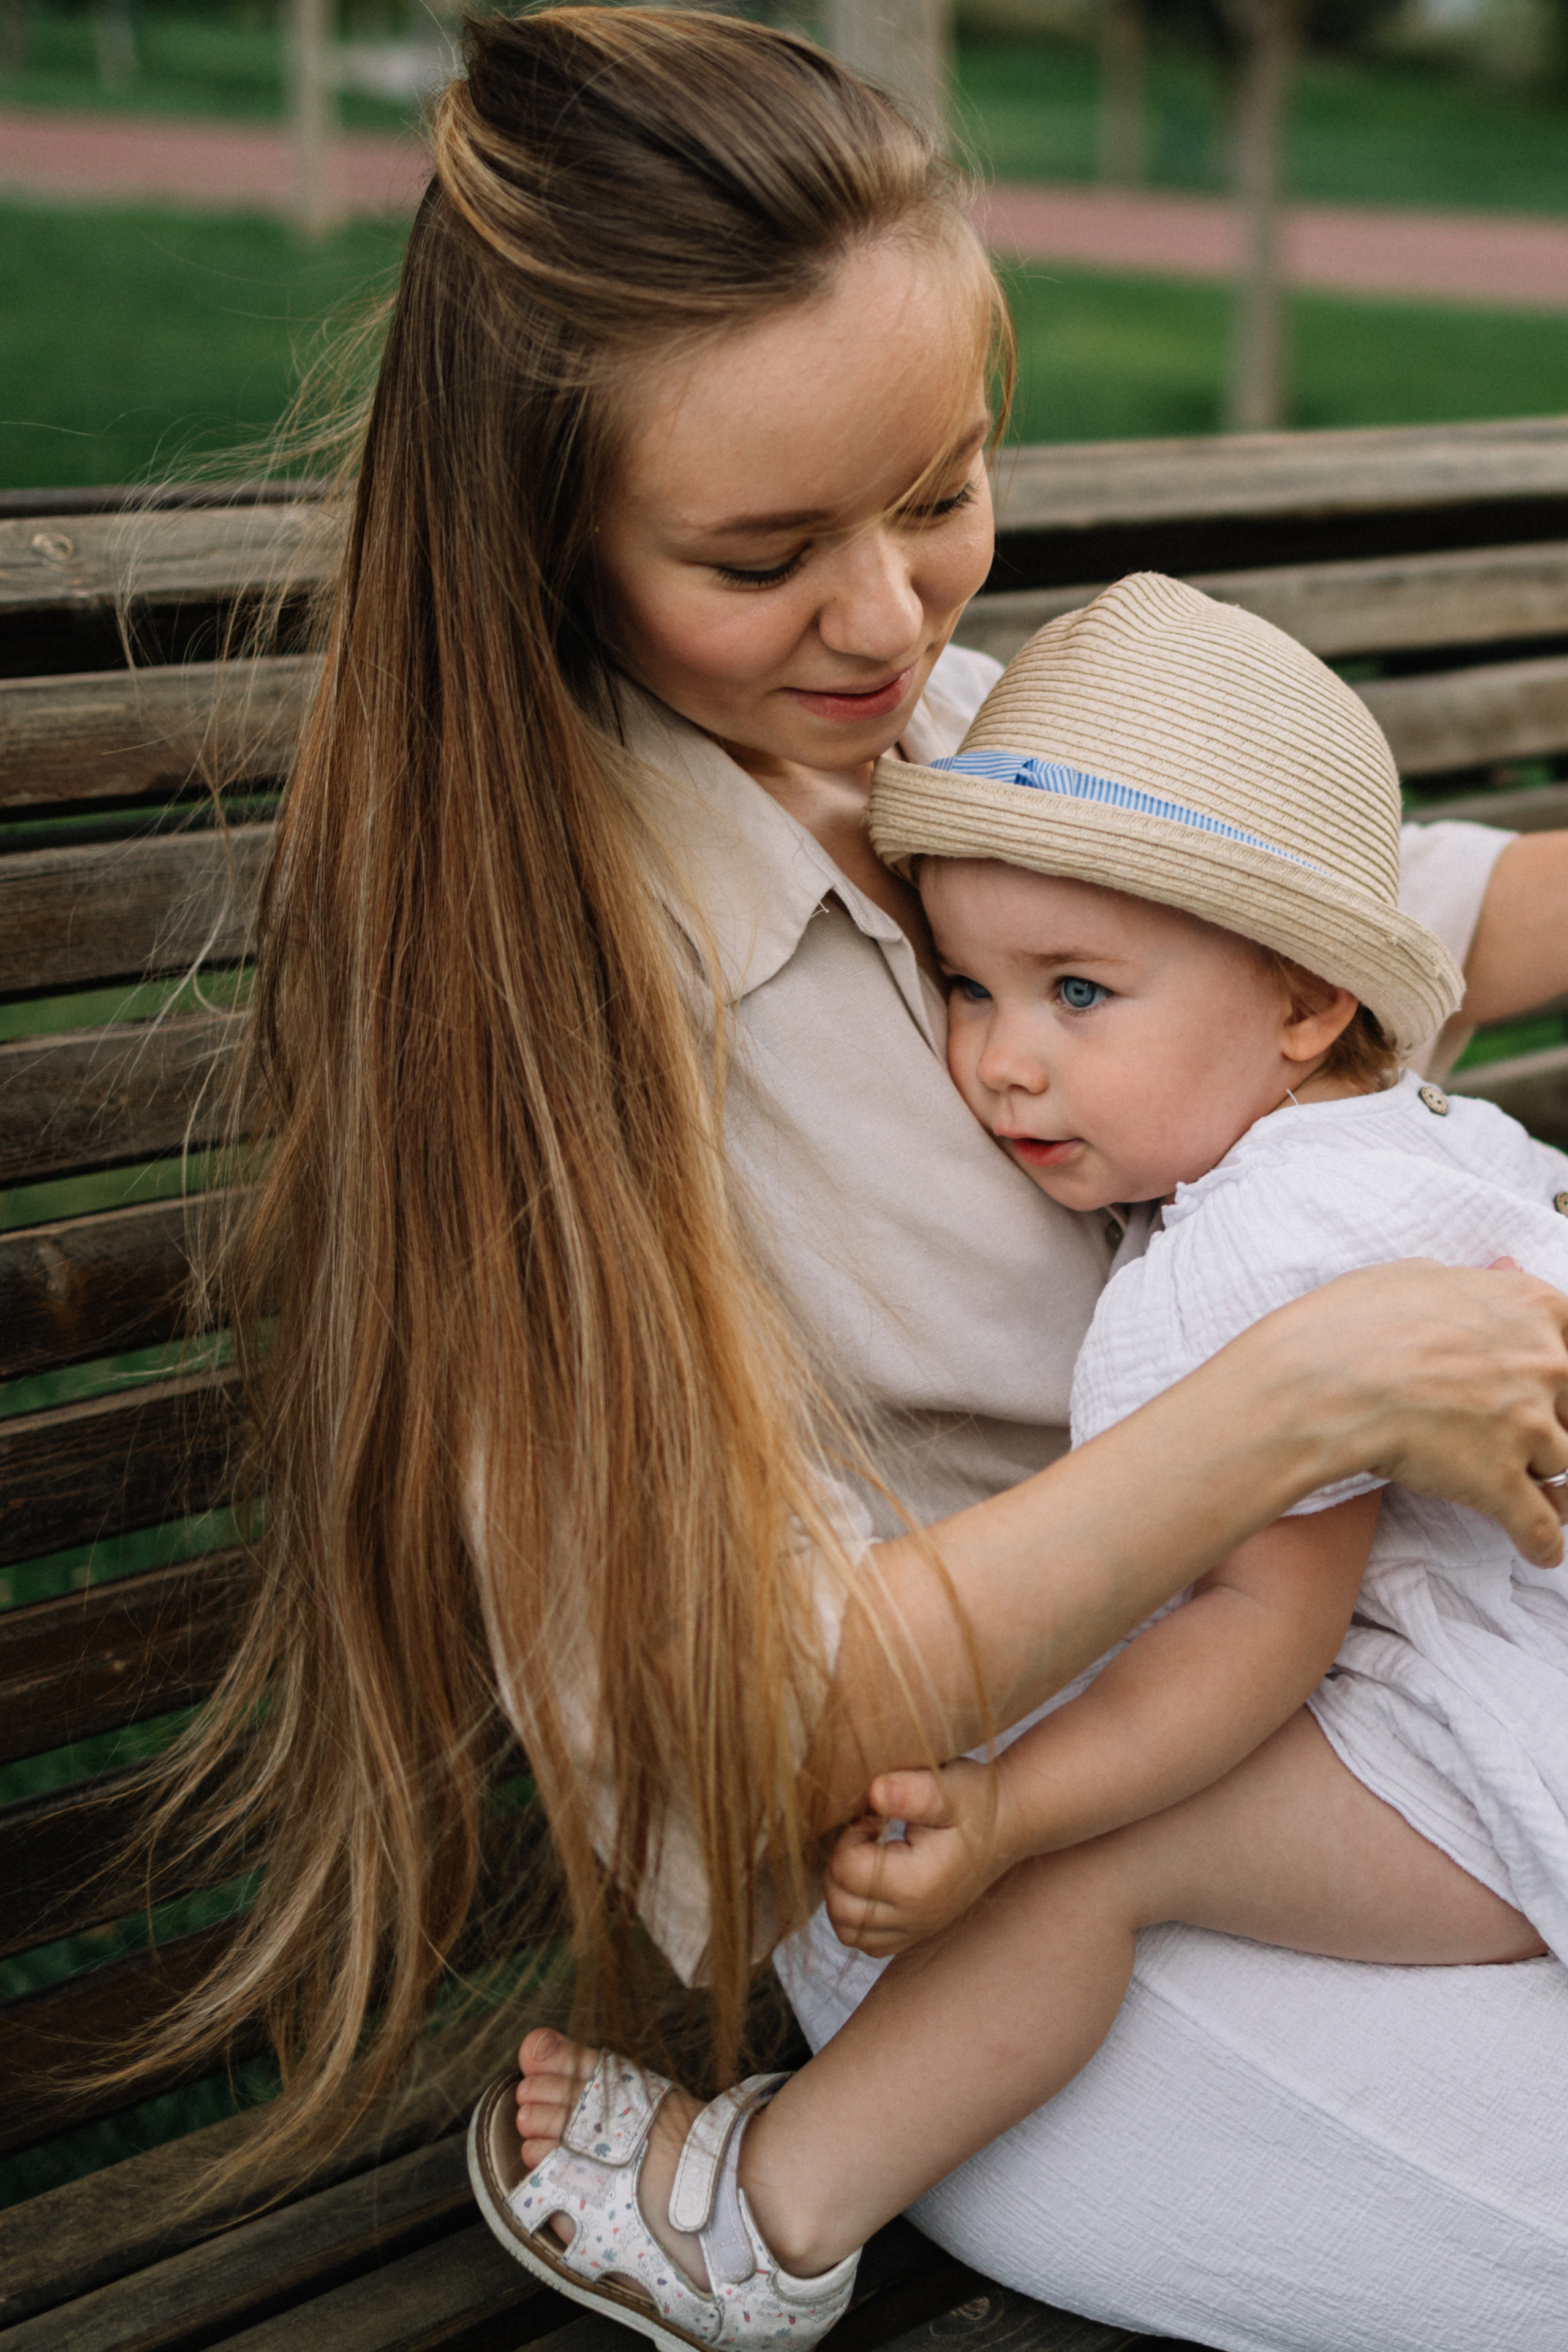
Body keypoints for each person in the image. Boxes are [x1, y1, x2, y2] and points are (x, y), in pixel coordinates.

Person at [157, 13, 1568, 2350]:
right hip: (989, 1883)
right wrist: (1303, 1405)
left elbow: (1340, 913)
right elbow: (747, 1721)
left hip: (1367, 1697)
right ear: (548, 544)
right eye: (761, 554)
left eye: (940, 491)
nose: (894, 620)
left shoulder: (953, 726)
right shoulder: (535, 1019)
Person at [469, 576, 1568, 2348]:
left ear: (1305, 1003)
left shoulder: (1243, 1259)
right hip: (1490, 1714)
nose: (999, 1063)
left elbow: (1260, 1633)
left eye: (1075, 993)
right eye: (969, 989)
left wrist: (1011, 1812)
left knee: (1084, 1872)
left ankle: (756, 2221)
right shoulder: (1415, 1146)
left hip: (1467, 1771)